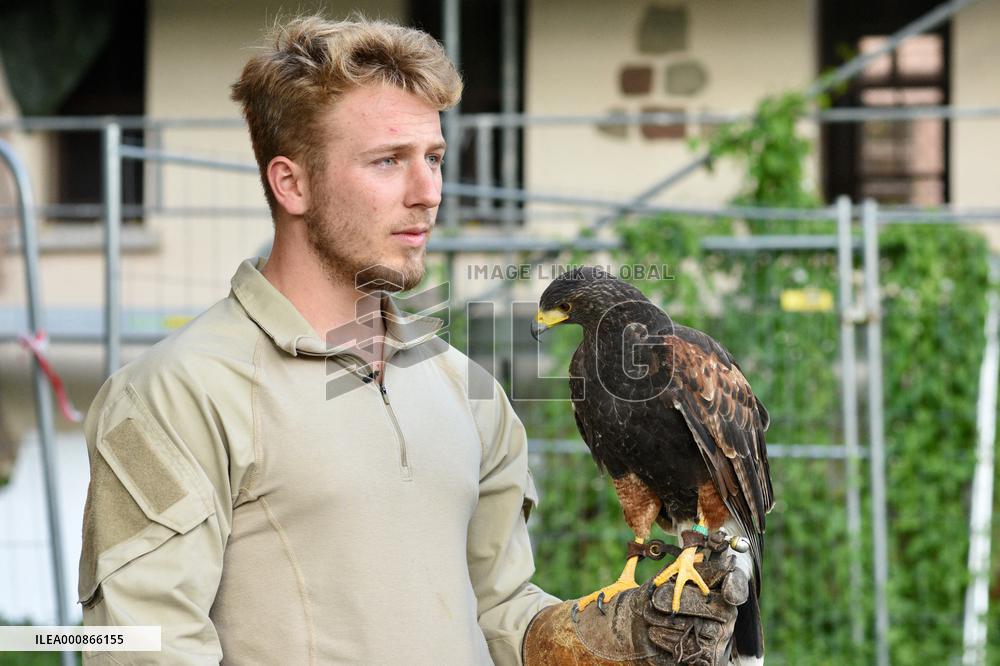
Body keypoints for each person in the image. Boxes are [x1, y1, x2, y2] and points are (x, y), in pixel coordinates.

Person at [79, 14, 743, 665]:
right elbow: (142, 645)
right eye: (388, 161)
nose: (428, 193)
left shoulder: (469, 389)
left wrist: (609, 642)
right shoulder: (177, 393)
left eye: (434, 158)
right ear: (292, 183)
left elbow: (498, 612)